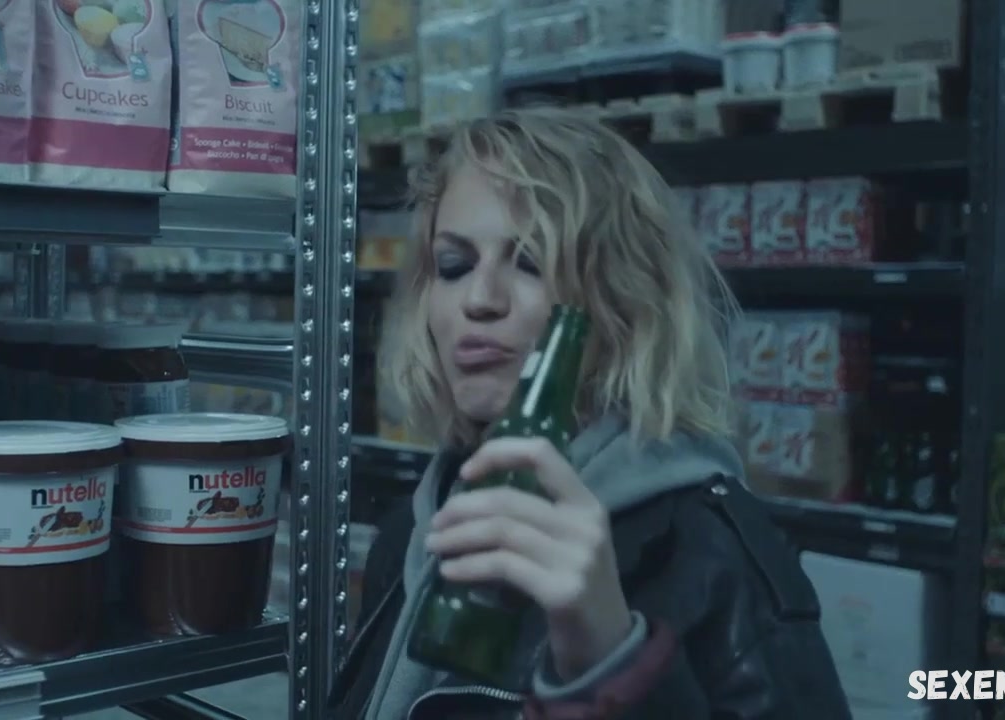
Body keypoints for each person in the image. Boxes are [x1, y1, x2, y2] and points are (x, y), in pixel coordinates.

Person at [328, 106, 851, 719]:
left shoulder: (710, 555)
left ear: (623, 298)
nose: (481, 299)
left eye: (531, 262)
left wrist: (610, 658)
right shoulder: (414, 535)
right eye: (454, 266)